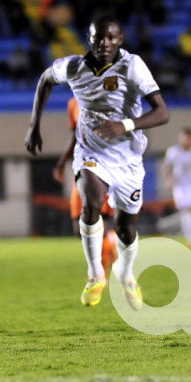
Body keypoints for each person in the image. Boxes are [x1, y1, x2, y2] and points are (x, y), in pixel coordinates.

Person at [26, 14, 169, 309]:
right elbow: (45, 79)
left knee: (126, 226)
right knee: (91, 201)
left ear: (120, 40)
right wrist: (33, 125)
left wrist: (125, 125)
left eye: (111, 38)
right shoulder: (74, 67)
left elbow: (162, 112)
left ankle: (126, 275)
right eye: (98, 38)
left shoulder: (132, 66)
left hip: (128, 158)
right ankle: (95, 275)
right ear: (89, 39)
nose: (104, 43)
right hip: (91, 154)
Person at [53, 97, 118, 278]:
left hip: (103, 169)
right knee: (79, 229)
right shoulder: (73, 103)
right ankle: (113, 243)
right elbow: (74, 136)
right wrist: (61, 162)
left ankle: (100, 275)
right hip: (81, 169)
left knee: (99, 223)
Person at [163, 127, 191, 250]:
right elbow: (167, 165)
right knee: (186, 211)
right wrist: (169, 179)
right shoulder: (173, 151)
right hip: (181, 185)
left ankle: (190, 233)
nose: (187, 140)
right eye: (184, 137)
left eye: (189, 138)